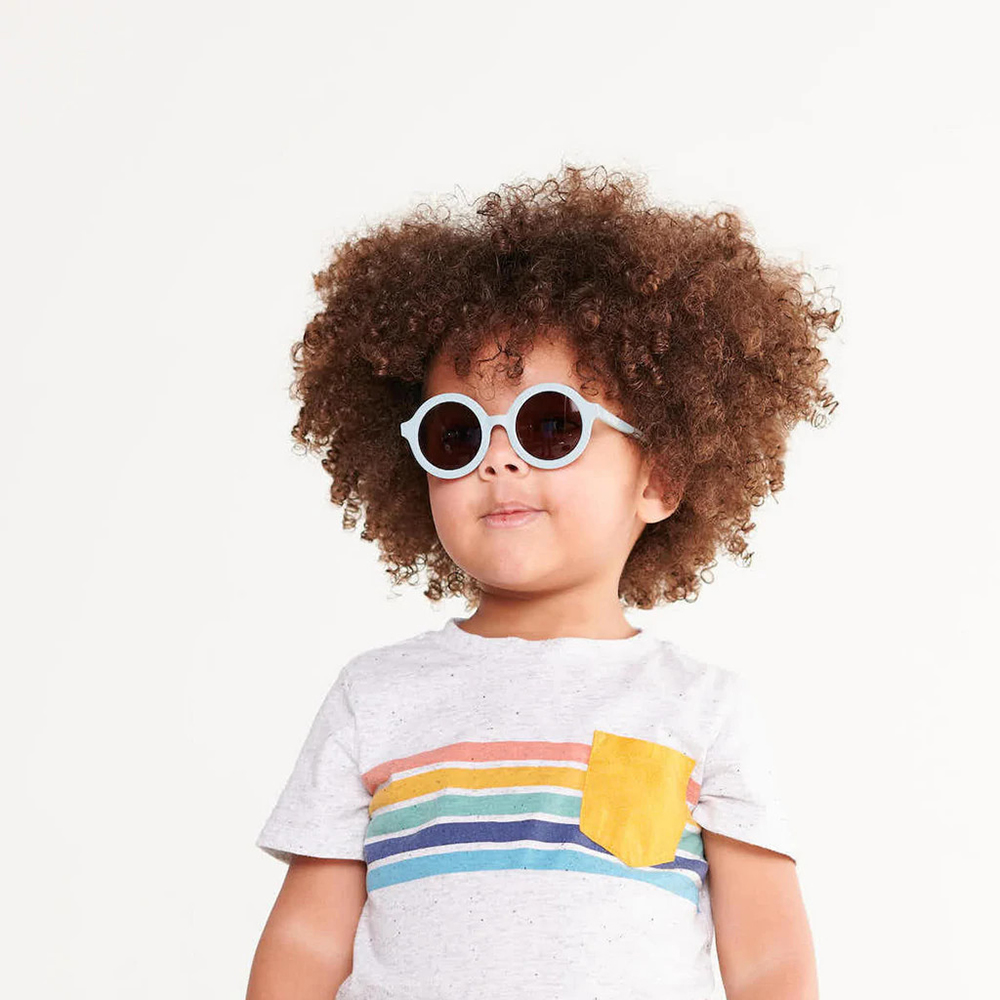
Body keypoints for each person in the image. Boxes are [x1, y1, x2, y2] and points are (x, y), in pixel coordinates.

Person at [245, 163, 837, 1000]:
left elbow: (770, 959)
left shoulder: (702, 710)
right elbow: (307, 943)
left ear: (660, 478)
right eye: (456, 435)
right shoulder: (374, 699)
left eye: (550, 426)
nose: (498, 459)